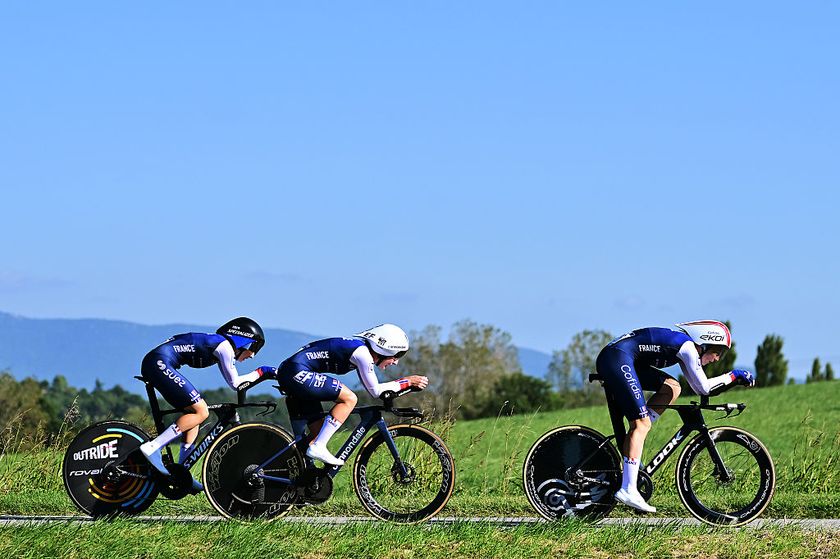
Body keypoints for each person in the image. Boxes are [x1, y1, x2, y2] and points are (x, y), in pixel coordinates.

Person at [595, 320, 755, 513]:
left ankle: (636, 436)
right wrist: (734, 375)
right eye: (717, 352)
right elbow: (704, 387)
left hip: (619, 357)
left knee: (672, 387)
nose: (717, 359)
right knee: (641, 424)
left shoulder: (683, 348)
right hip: (617, 358)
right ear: (705, 343)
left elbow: (698, 389)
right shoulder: (687, 347)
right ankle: (629, 489)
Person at [139, 317, 276, 486]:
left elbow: (237, 385)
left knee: (193, 413)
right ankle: (153, 447)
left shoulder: (218, 345)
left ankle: (182, 474)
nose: (253, 355)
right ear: (242, 340)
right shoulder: (224, 346)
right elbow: (236, 384)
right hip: (159, 363)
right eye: (253, 347)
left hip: (156, 362)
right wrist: (264, 371)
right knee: (201, 411)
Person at [276, 323, 428, 466]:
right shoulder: (362, 354)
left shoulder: (359, 350)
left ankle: (292, 467)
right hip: (297, 372)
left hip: (292, 372)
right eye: (396, 356)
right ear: (384, 349)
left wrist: (404, 386)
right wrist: (407, 382)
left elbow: (379, 391)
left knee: (317, 433)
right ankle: (319, 447)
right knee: (349, 399)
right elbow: (375, 391)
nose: (395, 362)